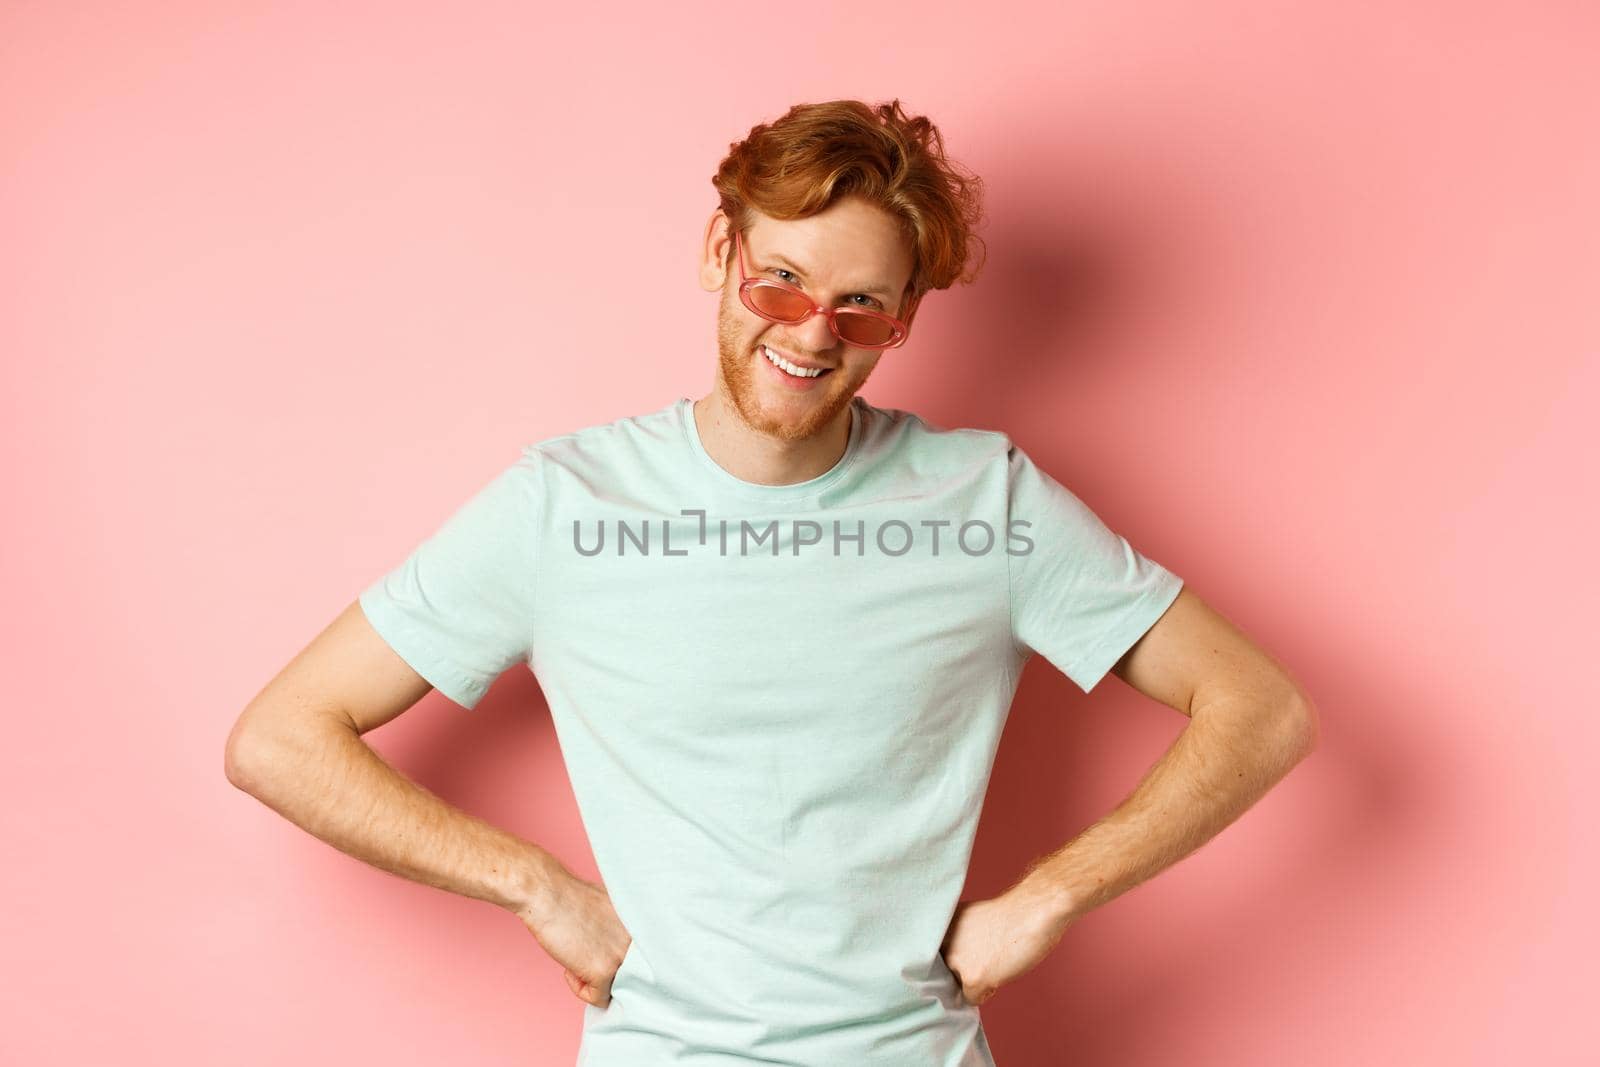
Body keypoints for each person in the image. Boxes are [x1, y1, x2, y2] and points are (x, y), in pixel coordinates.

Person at [224, 98, 1319, 1066]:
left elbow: (1258, 708)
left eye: (859, 306)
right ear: (719, 250)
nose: (810, 333)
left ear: (904, 320)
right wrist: (533, 884)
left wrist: (1051, 896)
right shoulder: (564, 505)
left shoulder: (986, 501)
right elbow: (281, 736)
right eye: (780, 281)